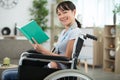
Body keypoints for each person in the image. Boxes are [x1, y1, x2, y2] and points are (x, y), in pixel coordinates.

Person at [1, 1, 82, 80]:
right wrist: (38, 47)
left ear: (74, 12)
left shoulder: (75, 32)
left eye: (65, 12)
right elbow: (55, 54)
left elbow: (67, 59)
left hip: (57, 71)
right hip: (51, 65)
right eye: (59, 14)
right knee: (7, 71)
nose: (62, 16)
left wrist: (43, 51)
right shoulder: (64, 32)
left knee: (7, 74)